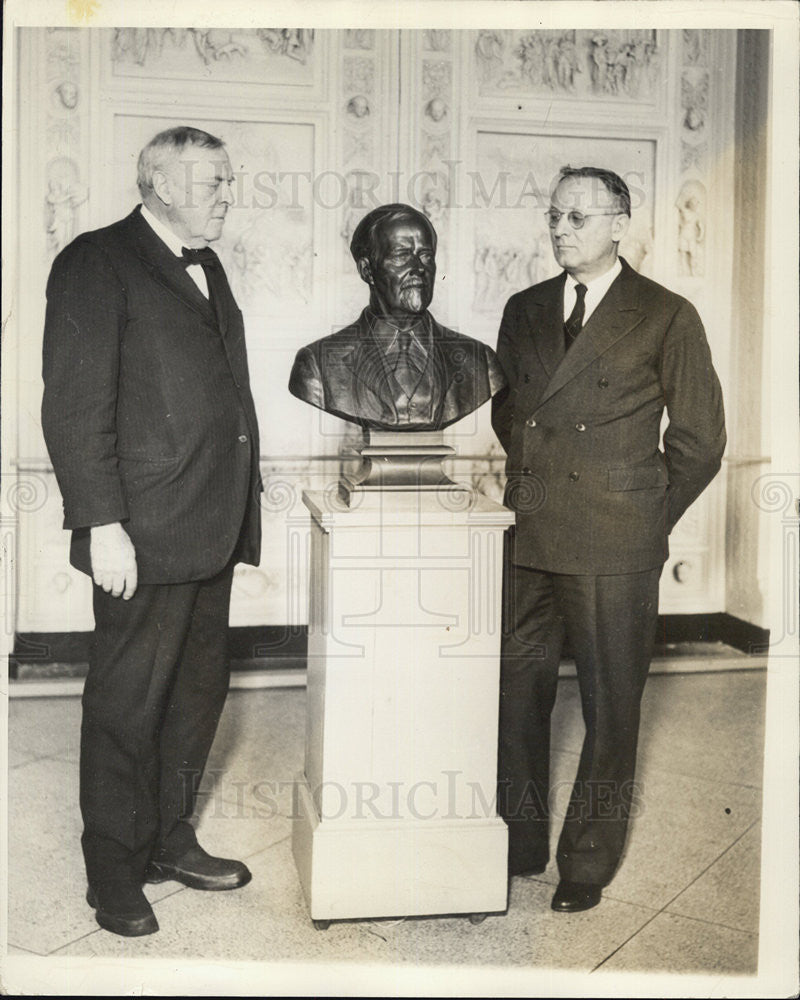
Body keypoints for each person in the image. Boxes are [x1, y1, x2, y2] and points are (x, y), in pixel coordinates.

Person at [41, 126, 262, 937]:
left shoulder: (207, 266)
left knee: (196, 697)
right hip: (142, 531)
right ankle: (112, 871)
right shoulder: (97, 262)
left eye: (228, 182)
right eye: (213, 184)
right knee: (126, 705)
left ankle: (170, 839)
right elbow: (73, 407)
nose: (228, 196)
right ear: (161, 184)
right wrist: (103, 524)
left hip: (212, 525)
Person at [491, 165, 725, 913]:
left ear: (621, 224)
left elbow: (701, 440)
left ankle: (585, 862)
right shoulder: (523, 307)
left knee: (610, 705)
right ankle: (517, 842)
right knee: (514, 696)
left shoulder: (665, 313)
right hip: (528, 532)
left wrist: (643, 517)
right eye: (555, 215)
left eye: (580, 217)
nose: (562, 228)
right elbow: (509, 413)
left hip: (614, 539)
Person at [288, 203, 505, 431]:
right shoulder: (318, 364)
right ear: (367, 270)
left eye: (425, 256)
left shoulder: (480, 361)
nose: (418, 268)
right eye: (402, 255)